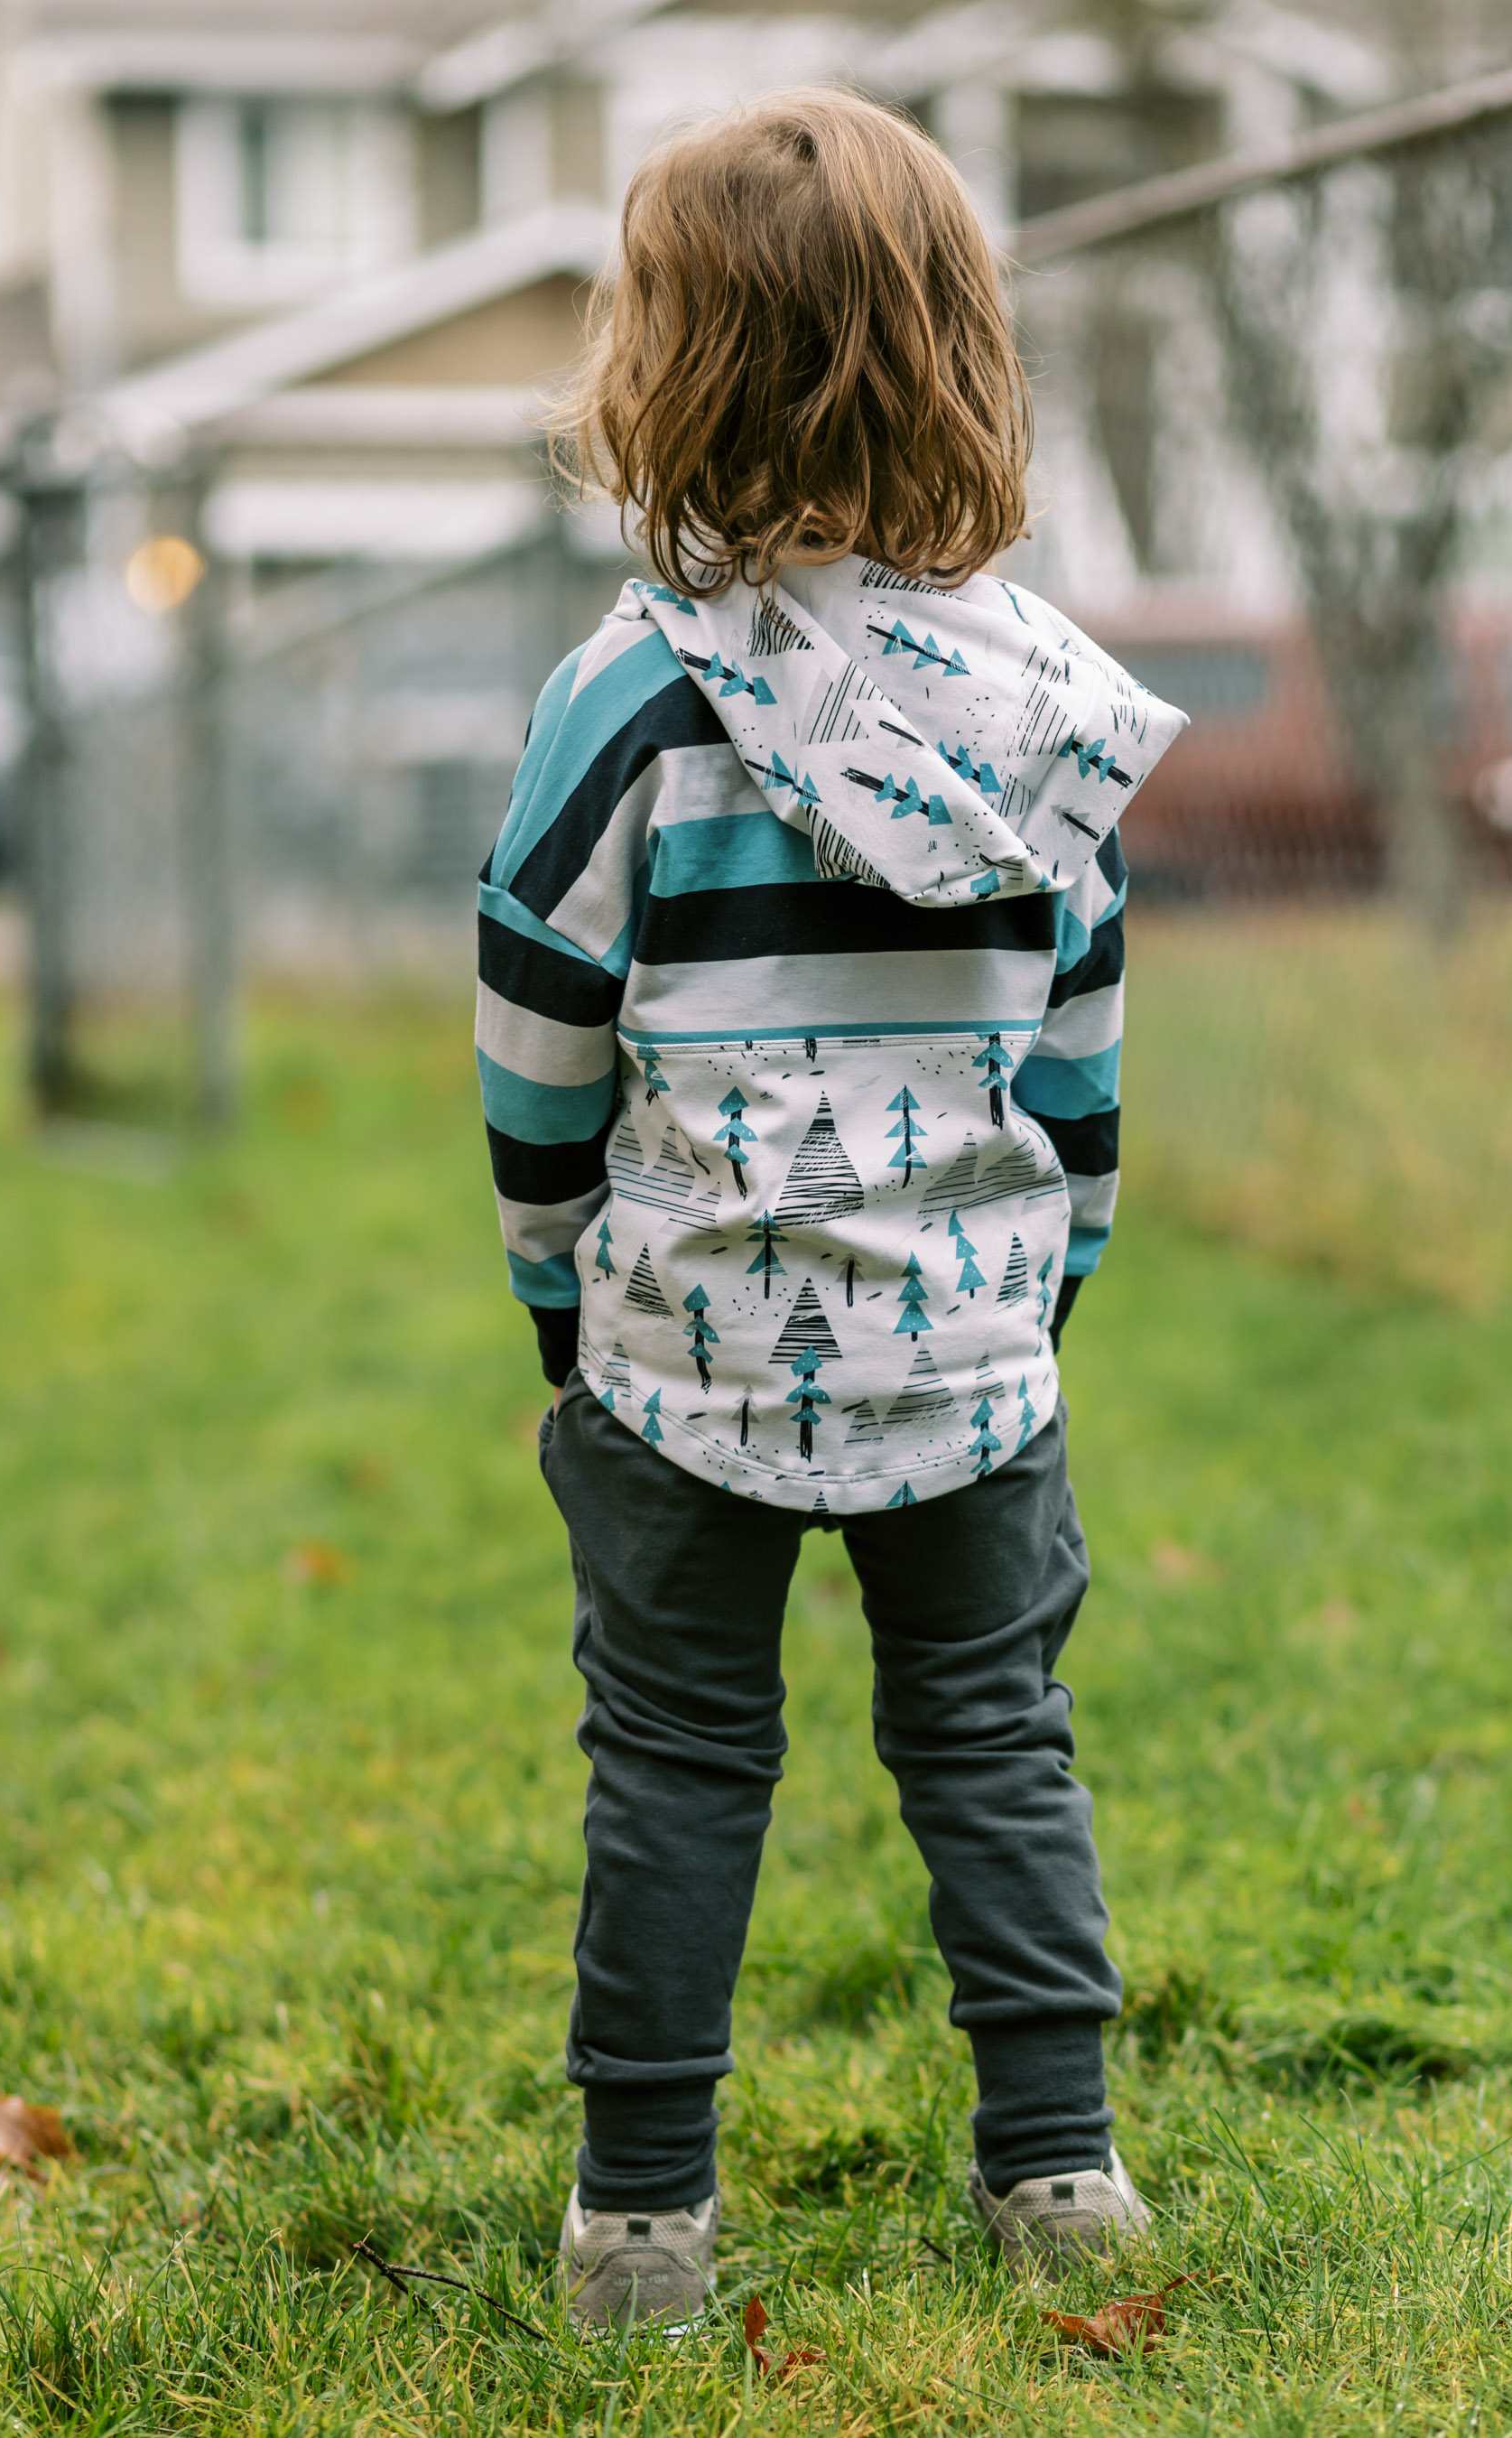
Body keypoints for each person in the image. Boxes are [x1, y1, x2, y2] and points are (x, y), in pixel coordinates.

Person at [476, 86, 1187, 2330]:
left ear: (660, 365)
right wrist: (1049, 1275)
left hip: (682, 1353)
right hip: (980, 1352)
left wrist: (558, 1324)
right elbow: (1079, 1040)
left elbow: (536, 1041)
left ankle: (647, 2220)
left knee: (678, 1761)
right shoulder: (1047, 703)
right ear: (961, 348)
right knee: (993, 1742)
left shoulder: (621, 701)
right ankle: (1062, 2172)